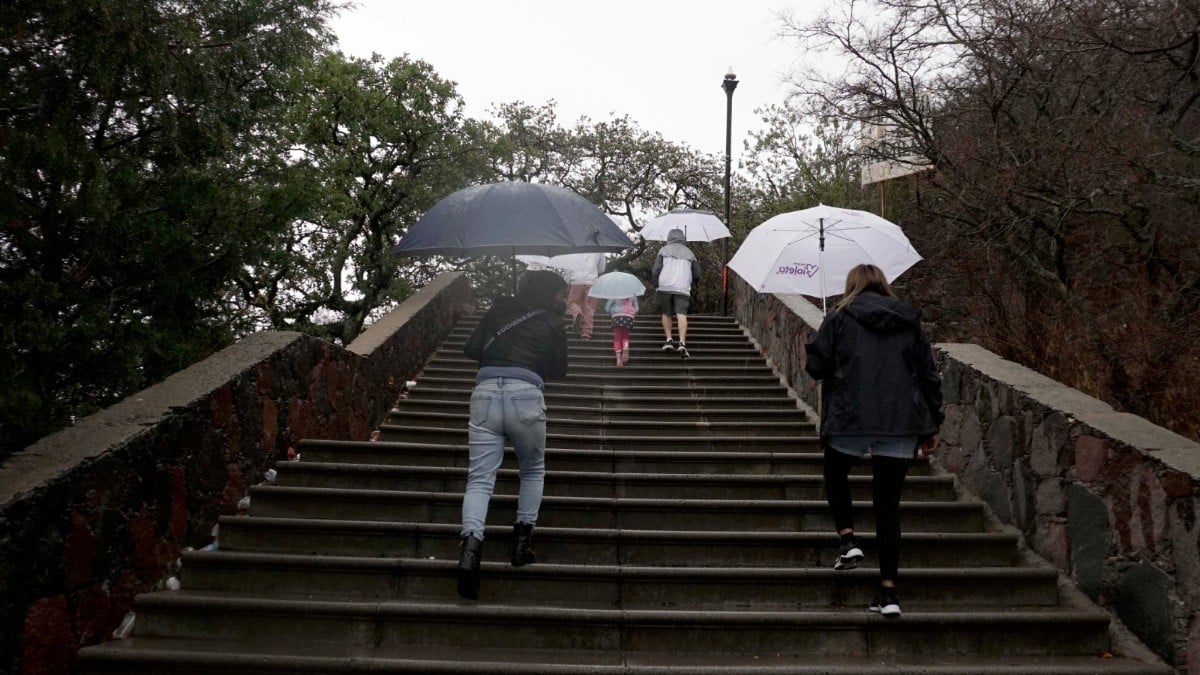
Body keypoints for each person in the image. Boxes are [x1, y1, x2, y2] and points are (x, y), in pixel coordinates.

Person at [804, 263, 943, 619]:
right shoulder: (909, 320)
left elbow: (816, 367)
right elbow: (928, 375)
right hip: (900, 420)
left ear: (852, 285)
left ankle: (848, 539)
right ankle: (889, 592)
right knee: (887, 507)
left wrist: (824, 342)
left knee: (835, 472)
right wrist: (932, 425)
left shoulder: (839, 317)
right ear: (883, 285)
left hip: (851, 415)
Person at [457, 270, 570, 600]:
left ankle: (470, 551)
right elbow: (560, 370)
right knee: (532, 469)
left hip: (485, 391)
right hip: (525, 394)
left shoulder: (498, 309)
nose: (563, 300)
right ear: (549, 295)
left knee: (479, 479)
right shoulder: (552, 321)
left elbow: (471, 349)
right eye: (561, 295)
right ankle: (521, 545)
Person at [652, 228, 700, 358]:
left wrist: (656, 283)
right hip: (683, 287)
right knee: (681, 314)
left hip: (665, 286)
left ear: (669, 237)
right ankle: (682, 343)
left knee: (666, 313)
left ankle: (668, 339)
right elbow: (697, 273)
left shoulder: (663, 251)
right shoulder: (690, 253)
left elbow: (656, 270)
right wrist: (693, 282)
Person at [562, 252, 607, 339]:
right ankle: (586, 333)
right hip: (592, 281)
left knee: (573, 303)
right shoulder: (599, 249)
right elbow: (601, 268)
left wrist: (567, 280)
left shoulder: (574, 248)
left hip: (577, 280)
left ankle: (577, 314)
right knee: (589, 308)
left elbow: (568, 267)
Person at [605, 294, 639, 366]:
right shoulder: (633, 293)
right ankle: (626, 346)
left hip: (617, 316)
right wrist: (632, 313)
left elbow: (607, 308)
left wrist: (611, 311)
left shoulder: (614, 292)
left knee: (617, 339)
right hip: (628, 317)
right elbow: (637, 308)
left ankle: (618, 359)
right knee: (625, 337)